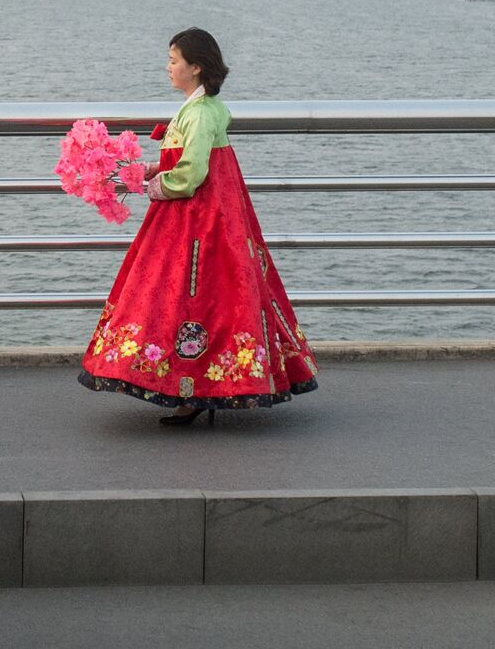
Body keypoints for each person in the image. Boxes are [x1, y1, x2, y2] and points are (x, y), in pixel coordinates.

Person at [79, 28, 320, 424]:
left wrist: (150, 184)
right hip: (207, 217)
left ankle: (194, 390)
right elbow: (190, 162)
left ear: (195, 67)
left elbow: (190, 175)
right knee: (209, 298)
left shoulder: (200, 113)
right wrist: (150, 170)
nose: (168, 67)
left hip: (198, 221)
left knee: (190, 297)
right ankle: (195, 389)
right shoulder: (201, 109)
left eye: (174, 60)